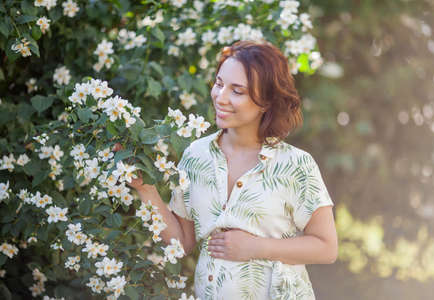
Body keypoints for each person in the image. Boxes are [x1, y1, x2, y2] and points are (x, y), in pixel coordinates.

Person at [129, 41, 338, 300]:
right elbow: (181, 243)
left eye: (237, 91)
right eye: (219, 84)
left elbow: (326, 248)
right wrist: (145, 189)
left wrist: (256, 247)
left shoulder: (296, 165)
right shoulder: (196, 155)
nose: (221, 97)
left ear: (266, 102)